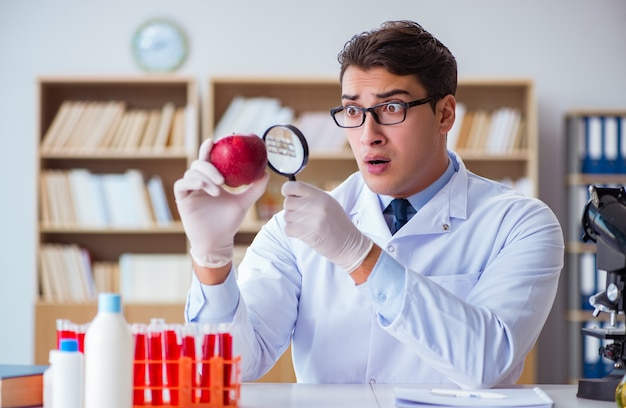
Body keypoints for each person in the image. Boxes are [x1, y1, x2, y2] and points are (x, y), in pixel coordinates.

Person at [174, 20, 564, 388]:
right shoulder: (292, 230)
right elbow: (230, 368)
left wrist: (360, 256)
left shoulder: (521, 223)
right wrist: (212, 260)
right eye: (353, 111)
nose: (368, 135)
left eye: (391, 108)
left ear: (444, 114)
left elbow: (488, 364)